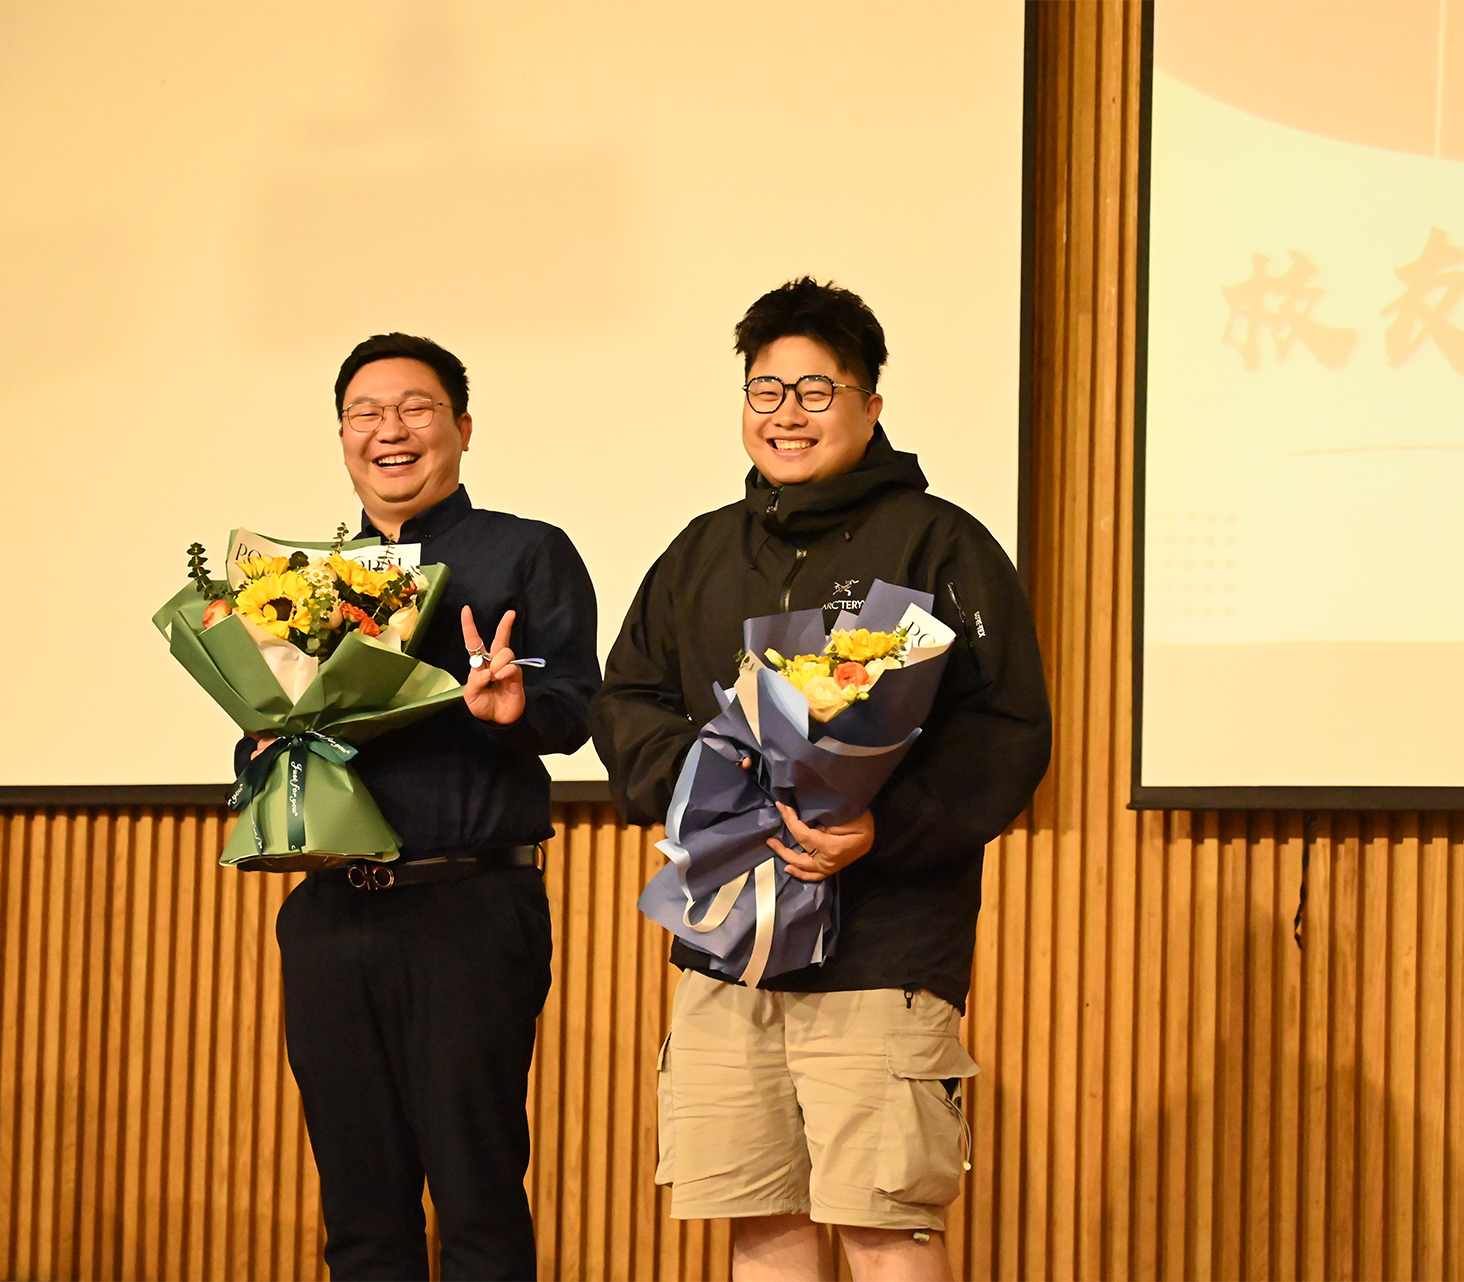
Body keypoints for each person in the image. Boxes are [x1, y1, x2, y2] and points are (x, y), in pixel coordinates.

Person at [591, 279, 1051, 1281]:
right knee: (760, 1222)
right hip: (728, 946)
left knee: (885, 1225)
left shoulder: (940, 543)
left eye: (815, 391)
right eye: (766, 391)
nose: (786, 414)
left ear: (870, 404)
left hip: (883, 946)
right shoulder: (701, 550)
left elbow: (1007, 729)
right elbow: (628, 697)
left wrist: (882, 825)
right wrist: (711, 789)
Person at [243, 333, 598, 1281]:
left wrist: (512, 709)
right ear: (343, 436)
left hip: (467, 908)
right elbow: (267, 724)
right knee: (359, 1207)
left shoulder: (525, 551)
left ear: (462, 428)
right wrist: (265, 744)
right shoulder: (302, 586)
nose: (389, 431)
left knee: (477, 1196)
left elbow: (575, 708)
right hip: (331, 914)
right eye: (365, 413)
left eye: (415, 409)